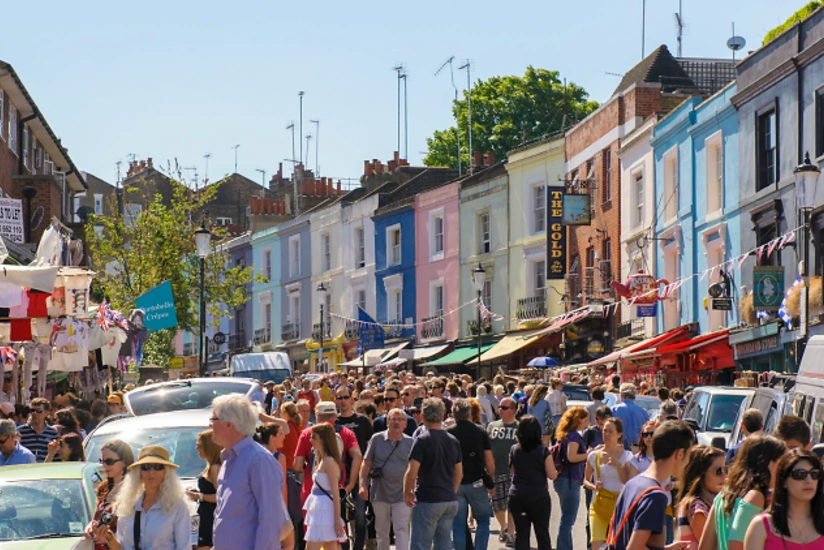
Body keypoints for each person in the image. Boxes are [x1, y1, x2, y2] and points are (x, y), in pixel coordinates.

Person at [210, 393, 285, 549]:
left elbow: (271, 520)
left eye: (213, 419)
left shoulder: (259, 460)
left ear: (229, 424)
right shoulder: (230, 459)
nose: (210, 424)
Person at [608, 420, 694, 550]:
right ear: (680, 454)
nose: (688, 463)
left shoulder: (633, 484)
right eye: (688, 456)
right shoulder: (655, 496)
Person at [699, 433, 786, 550]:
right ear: (769, 464)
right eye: (782, 463)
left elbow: (704, 547)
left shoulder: (723, 494)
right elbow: (736, 545)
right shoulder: (755, 497)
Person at [96, 445, 191, 550]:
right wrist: (109, 537)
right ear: (139, 472)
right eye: (146, 467)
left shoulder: (178, 508)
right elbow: (121, 548)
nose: (151, 472)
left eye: (158, 467)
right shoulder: (127, 505)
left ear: (166, 472)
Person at [404, 398, 463, 550]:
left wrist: (407, 492)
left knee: (420, 545)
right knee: (444, 544)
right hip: (448, 499)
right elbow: (459, 473)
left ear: (422, 416)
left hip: (428, 498)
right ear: (443, 415)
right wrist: (451, 490)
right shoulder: (453, 440)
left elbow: (411, 472)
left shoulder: (422, 440)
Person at [743, 449, 824, 549]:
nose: (809, 480)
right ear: (784, 481)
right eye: (800, 474)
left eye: (814, 474)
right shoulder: (761, 526)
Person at [359, 408, 414, 550]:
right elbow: (366, 463)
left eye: (400, 420)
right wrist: (362, 484)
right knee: (382, 531)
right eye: (393, 419)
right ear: (387, 422)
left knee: (401, 529)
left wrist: (413, 490)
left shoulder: (411, 442)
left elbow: (415, 468)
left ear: (405, 424)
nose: (396, 422)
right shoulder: (376, 439)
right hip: (379, 493)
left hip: (402, 493)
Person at [448, 398, 494, 550]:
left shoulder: (448, 433)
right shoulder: (480, 431)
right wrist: (490, 480)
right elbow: (489, 460)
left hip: (455, 483)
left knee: (458, 524)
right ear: (469, 413)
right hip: (477, 481)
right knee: (483, 520)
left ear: (453, 414)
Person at [583, 417, 634, 550]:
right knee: (596, 545)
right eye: (605, 431)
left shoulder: (627, 456)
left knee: (618, 545)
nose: (607, 434)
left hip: (619, 507)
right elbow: (585, 480)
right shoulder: (594, 455)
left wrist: (619, 465)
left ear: (619, 434)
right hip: (598, 505)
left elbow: (628, 482)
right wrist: (594, 486)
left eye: (611, 432)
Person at [508, 415, 558, 550]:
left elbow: (511, 471)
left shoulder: (514, 449)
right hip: (538, 495)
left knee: (521, 534)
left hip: (517, 495)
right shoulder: (543, 451)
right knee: (542, 532)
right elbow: (552, 475)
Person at [335, 384, 373, 550]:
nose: (343, 401)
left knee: (360, 516)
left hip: (360, 476)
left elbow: (370, 447)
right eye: (339, 397)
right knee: (341, 516)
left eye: (345, 397)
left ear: (352, 399)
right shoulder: (334, 422)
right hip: (339, 476)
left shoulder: (362, 420)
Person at [84, 439, 135, 550]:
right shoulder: (103, 487)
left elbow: (134, 530)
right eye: (102, 461)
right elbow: (96, 517)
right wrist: (90, 527)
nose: (104, 465)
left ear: (124, 462)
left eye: (109, 461)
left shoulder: (134, 490)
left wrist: (109, 537)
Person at [304, 423, 348, 549]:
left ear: (323, 439)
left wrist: (337, 520)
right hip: (321, 509)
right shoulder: (322, 459)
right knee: (330, 546)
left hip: (324, 511)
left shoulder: (329, 461)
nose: (310, 440)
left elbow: (335, 493)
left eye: (314, 437)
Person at [676, 445, 726, 550]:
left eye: (726, 470)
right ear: (701, 473)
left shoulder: (705, 503)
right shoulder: (697, 507)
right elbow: (711, 546)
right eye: (718, 471)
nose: (724, 476)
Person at [254, 423, 295, 550]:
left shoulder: (256, 455)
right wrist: (285, 509)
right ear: (272, 437)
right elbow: (282, 485)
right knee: (289, 542)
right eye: (280, 434)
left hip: (261, 504)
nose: (284, 437)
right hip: (277, 504)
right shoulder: (278, 457)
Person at [553, 406, 590, 550]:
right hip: (569, 479)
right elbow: (572, 457)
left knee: (566, 518)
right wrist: (589, 454)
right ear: (579, 419)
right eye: (586, 419)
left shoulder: (565, 434)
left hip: (563, 478)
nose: (588, 422)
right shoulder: (574, 436)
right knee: (568, 519)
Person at [487, 397, 519, 547]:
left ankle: (511, 534)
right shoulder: (492, 426)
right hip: (496, 470)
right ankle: (504, 527)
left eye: (504, 408)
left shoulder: (519, 427)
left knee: (512, 504)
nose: (500, 410)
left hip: (513, 472)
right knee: (498, 504)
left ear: (513, 410)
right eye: (499, 407)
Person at [185, 430, 222, 550]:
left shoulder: (215, 468)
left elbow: (221, 497)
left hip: (211, 517)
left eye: (199, 445)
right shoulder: (210, 466)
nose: (196, 448)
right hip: (204, 515)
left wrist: (199, 496)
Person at [16, 397, 58, 462]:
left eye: (38, 410)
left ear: (46, 413)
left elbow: (56, 457)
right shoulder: (20, 431)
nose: (34, 413)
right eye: (32, 410)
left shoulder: (53, 433)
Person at [611, 383, 649, 451]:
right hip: (638, 448)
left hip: (619, 447)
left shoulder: (615, 410)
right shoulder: (643, 412)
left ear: (621, 395)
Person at [280, 401, 303, 471]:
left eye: (281, 412)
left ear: (285, 413)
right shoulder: (298, 426)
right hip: (294, 463)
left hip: (286, 463)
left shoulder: (286, 426)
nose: (280, 414)